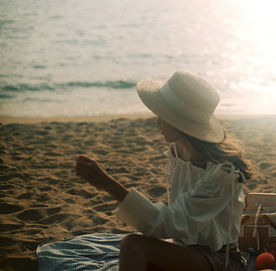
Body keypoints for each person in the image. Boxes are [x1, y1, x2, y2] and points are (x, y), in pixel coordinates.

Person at [75, 71, 252, 271]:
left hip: (221, 261)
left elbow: (170, 223)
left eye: (163, 115)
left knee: (132, 245)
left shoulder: (223, 173)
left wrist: (108, 184)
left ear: (180, 124)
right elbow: (176, 223)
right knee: (142, 253)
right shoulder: (177, 152)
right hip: (186, 250)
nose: (157, 121)